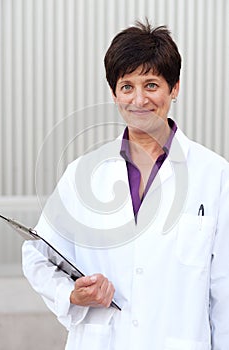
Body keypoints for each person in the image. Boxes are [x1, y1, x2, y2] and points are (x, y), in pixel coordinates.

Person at [22, 19, 229, 350]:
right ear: (114, 93)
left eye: (151, 85)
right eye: (127, 87)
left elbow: (224, 293)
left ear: (174, 88)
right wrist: (71, 294)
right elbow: (37, 254)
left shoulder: (215, 175)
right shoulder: (84, 173)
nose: (139, 100)